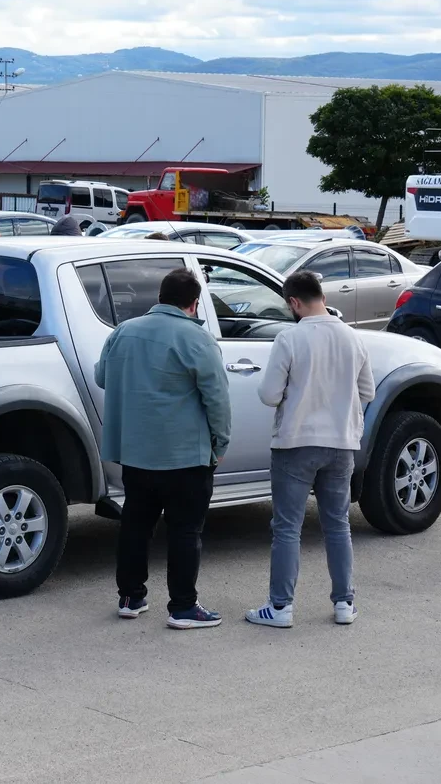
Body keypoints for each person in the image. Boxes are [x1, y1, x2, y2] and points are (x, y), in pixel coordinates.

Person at [95, 268, 232, 629]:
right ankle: (183, 607)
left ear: (159, 297)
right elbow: (217, 399)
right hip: (185, 455)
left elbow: (101, 376)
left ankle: (130, 597)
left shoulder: (123, 332)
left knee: (135, 525)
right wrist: (220, 443)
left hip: (136, 453)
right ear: (194, 304)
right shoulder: (197, 339)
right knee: (185, 530)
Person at [246, 271, 374, 628]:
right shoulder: (352, 337)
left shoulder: (289, 337)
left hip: (296, 442)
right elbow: (368, 391)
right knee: (338, 525)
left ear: (293, 302)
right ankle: (344, 603)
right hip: (341, 443)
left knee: (288, 527)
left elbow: (269, 394)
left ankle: (281, 607)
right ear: (322, 296)